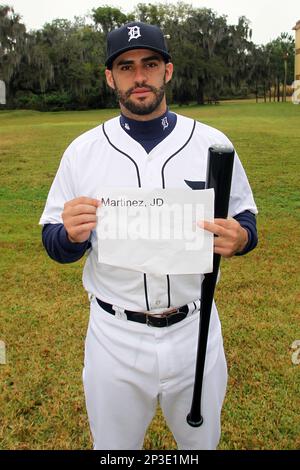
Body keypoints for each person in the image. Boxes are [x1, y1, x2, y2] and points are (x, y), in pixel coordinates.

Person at [39, 21, 258, 450]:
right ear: (110, 77)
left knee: (200, 448)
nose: (139, 77)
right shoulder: (82, 151)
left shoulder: (212, 142)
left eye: (150, 64)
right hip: (114, 335)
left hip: (195, 326)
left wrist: (242, 238)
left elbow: (245, 216)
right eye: (126, 66)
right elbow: (54, 241)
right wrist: (69, 235)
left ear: (168, 71)